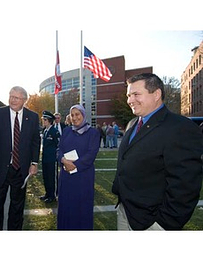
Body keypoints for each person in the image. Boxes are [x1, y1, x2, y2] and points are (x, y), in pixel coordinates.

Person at [112, 73, 203, 231]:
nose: (130, 100)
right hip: (124, 211)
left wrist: (163, 224)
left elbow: (185, 185)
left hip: (153, 221)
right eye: (128, 95)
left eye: (136, 94)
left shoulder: (180, 128)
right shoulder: (132, 124)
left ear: (156, 94)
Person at [0, 86, 40, 230]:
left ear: (24, 100)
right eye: (11, 96)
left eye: (16, 98)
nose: (12, 100)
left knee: (17, 207)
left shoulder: (32, 117)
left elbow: (35, 142)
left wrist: (34, 163)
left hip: (20, 170)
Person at [57, 104, 100, 230]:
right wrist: (63, 160)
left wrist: (74, 165)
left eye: (77, 114)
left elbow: (91, 155)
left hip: (83, 178)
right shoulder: (66, 131)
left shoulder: (93, 133)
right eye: (72, 115)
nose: (75, 117)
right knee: (66, 207)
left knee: (82, 209)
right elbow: (59, 150)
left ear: (83, 115)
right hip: (66, 177)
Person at [39, 111, 60, 203]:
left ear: (49, 121)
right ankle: (47, 193)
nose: (43, 121)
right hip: (45, 158)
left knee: (52, 177)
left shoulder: (54, 132)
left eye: (45, 119)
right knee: (46, 177)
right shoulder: (45, 130)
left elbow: (59, 145)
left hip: (52, 159)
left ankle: (53, 195)